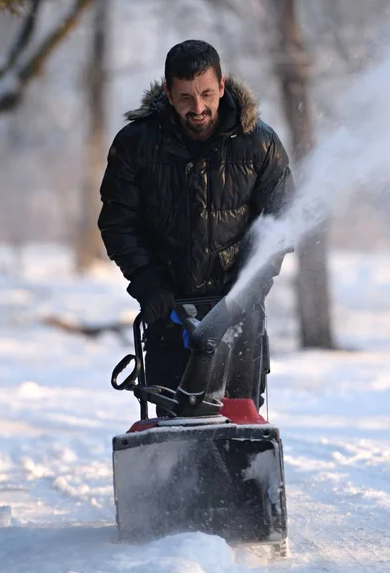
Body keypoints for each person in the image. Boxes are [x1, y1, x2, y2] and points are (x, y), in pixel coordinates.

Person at [98, 39, 294, 409]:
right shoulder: (135, 144)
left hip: (239, 313)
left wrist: (248, 289)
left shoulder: (260, 145)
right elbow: (118, 223)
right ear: (169, 94)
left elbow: (279, 224)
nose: (199, 107)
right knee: (175, 427)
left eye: (206, 93)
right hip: (168, 313)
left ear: (222, 86)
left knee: (239, 425)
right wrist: (148, 284)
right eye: (186, 96)